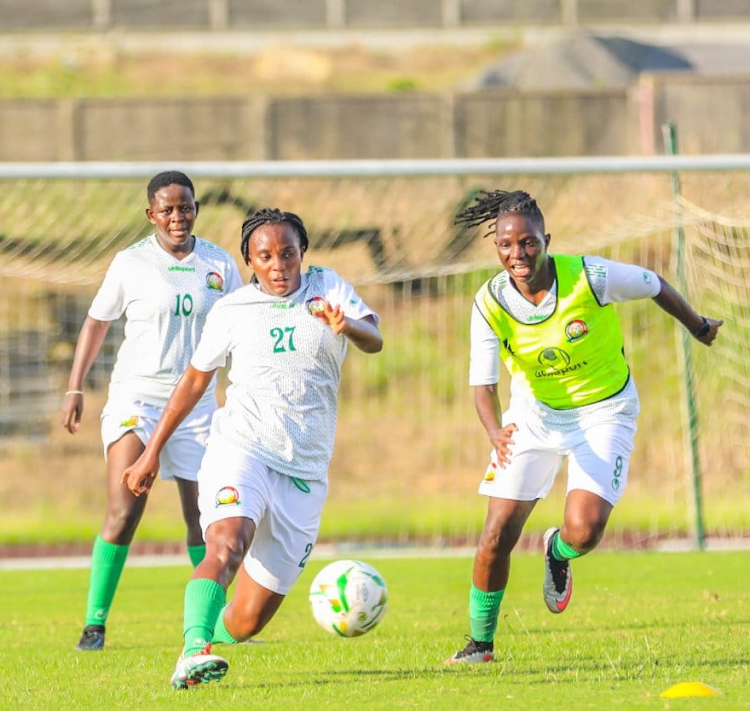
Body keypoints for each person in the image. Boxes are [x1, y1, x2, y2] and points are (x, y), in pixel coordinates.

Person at [445, 189, 723, 664]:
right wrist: (495, 431)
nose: (518, 254)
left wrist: (697, 326)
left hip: (604, 412)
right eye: (507, 246)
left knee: (586, 531)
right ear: (497, 249)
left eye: (528, 243)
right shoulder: (489, 302)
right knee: (496, 536)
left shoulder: (590, 277)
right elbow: (483, 386)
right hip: (533, 417)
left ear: (545, 240)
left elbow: (654, 284)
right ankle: (480, 646)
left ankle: (558, 552)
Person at [122, 207, 383, 689]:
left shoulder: (328, 287)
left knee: (245, 622)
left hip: (304, 468)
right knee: (227, 542)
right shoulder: (232, 310)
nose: (279, 264)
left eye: (288, 253)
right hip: (242, 447)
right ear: (250, 260)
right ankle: (194, 647)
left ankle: (210, 637)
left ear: (302, 253)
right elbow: (194, 380)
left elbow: (375, 337)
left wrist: (345, 326)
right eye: (265, 256)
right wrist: (150, 450)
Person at [62, 170, 243, 652]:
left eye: (185, 207)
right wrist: (74, 387)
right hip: (136, 399)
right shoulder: (131, 263)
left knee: (207, 516)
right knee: (124, 509)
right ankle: (94, 624)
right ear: (151, 214)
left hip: (198, 403)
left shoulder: (220, 263)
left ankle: (216, 623)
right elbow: (97, 323)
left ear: (196, 208)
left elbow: (241, 328)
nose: (177, 217)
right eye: (167, 209)